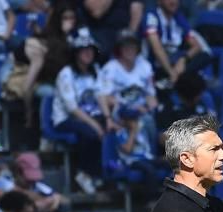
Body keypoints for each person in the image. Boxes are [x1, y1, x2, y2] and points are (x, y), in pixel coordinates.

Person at [52, 27, 105, 193]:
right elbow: (72, 108)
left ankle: (101, 173)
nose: (88, 53)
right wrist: (95, 125)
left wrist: (108, 117)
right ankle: (84, 173)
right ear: (76, 53)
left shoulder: (95, 71)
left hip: (90, 115)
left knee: (112, 127)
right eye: (84, 50)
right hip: (66, 119)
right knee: (90, 132)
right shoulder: (66, 74)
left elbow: (101, 95)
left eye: (90, 49)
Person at [97, 28, 157, 152]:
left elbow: (151, 97)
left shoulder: (145, 66)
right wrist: (130, 107)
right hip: (120, 113)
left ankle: (152, 155)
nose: (129, 49)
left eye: (132, 45)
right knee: (144, 121)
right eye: (125, 46)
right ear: (119, 49)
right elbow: (106, 98)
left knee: (150, 119)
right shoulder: (111, 68)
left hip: (141, 112)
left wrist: (149, 108)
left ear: (137, 48)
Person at [143, 0, 211, 86]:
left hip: (175, 63)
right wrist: (171, 72)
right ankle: (173, 80)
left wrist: (183, 60)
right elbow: (157, 50)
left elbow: (196, 46)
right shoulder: (151, 16)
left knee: (204, 56)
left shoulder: (178, 17)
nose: (173, 2)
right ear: (159, 1)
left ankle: (174, 80)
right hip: (156, 65)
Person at [79, 0, 144, 58]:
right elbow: (97, 12)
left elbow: (137, 9)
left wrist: (129, 38)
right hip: (100, 41)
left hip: (123, 40)